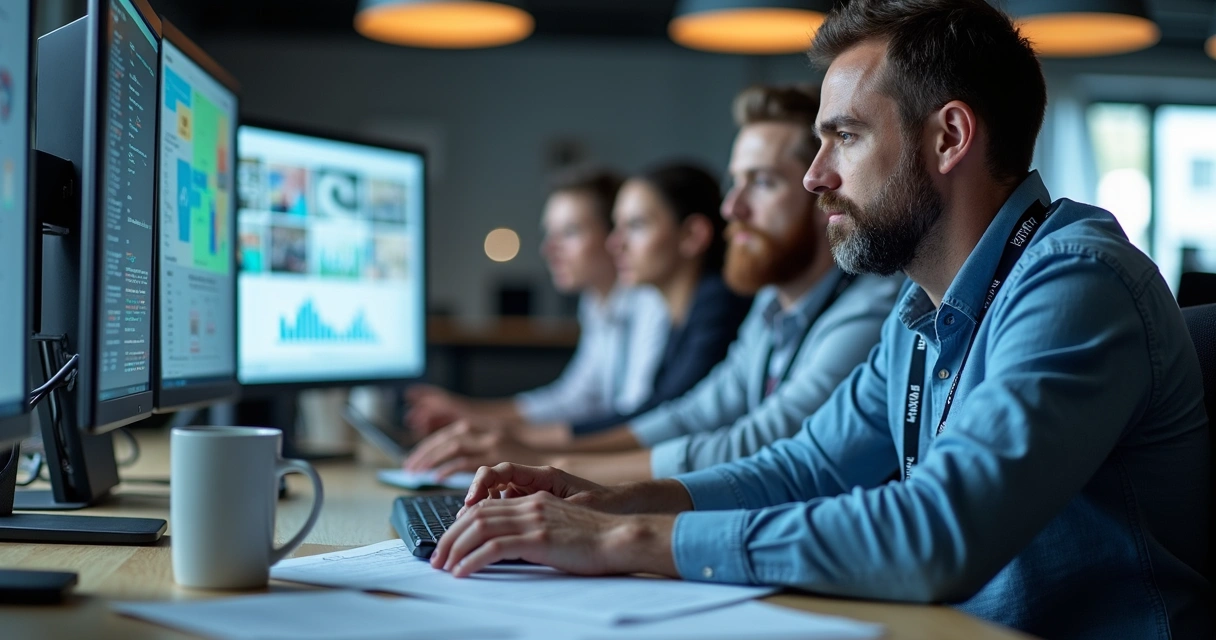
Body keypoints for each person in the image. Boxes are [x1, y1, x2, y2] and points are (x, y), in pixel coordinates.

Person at [428, 1, 1213, 638]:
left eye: (845, 135)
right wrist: (603, 499)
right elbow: (803, 468)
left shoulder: (1075, 280)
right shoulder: (919, 312)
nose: (815, 176)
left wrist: (623, 543)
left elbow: (938, 534)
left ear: (949, 137)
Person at [403, 85, 901, 485]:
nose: (733, 208)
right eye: (735, 182)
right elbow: (694, 414)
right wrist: (540, 456)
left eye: (764, 183)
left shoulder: (870, 305)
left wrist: (555, 465)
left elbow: (758, 442)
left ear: (820, 189)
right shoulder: (771, 303)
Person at [405, 163, 754, 476]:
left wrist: (532, 449)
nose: (617, 244)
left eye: (570, 232)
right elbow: (584, 398)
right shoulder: (645, 305)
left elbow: (652, 417)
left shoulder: (683, 303)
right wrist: (495, 430)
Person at [405, 167, 670, 434]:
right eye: (549, 233)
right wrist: (469, 411)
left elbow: (636, 416)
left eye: (570, 232)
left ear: (614, 235)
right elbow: (575, 399)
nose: (548, 249)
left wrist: (502, 433)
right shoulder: (596, 303)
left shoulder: (652, 301)